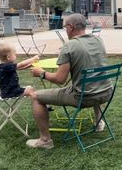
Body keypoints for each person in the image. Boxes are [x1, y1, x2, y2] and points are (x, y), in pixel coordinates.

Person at [27, 14, 112, 149]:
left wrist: (41, 73)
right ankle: (99, 121)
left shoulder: (69, 46)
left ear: (71, 27)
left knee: (36, 96)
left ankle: (45, 140)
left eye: (65, 27)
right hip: (105, 92)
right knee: (93, 81)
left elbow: (60, 79)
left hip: (83, 97)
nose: (65, 30)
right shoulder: (98, 40)